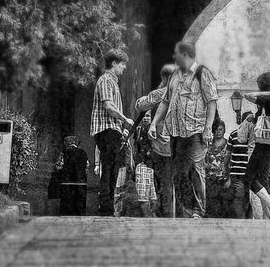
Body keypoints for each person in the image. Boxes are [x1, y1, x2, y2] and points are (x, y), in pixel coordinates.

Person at [150, 41, 218, 219]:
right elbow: (165, 101)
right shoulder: (174, 76)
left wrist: (207, 128)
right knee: (179, 173)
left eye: (176, 53)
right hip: (175, 132)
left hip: (195, 131)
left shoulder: (201, 73)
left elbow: (211, 101)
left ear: (185, 55)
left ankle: (198, 210)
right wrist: (154, 123)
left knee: (196, 171)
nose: (174, 57)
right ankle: (185, 209)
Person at [90, 49, 133, 217]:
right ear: (114, 63)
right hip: (106, 129)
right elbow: (108, 106)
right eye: (122, 64)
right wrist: (125, 119)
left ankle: (107, 206)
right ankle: (106, 207)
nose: (124, 68)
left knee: (113, 168)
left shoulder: (113, 82)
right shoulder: (106, 80)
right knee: (108, 168)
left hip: (112, 129)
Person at [235, 73, 270, 219]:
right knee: (261, 178)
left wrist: (266, 92)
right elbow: (260, 119)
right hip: (269, 143)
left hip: (265, 143)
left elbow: (248, 96)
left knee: (248, 177)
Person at [135, 64, 176, 217]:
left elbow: (139, 105)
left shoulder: (160, 93)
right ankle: (173, 215)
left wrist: (161, 86)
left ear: (164, 78)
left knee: (164, 184)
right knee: (174, 183)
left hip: (162, 148)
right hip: (179, 145)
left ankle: (166, 215)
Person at [48, 136, 89, 216]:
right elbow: (86, 167)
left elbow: (59, 166)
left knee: (66, 209)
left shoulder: (64, 152)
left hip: (66, 183)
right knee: (80, 208)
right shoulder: (83, 153)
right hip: (81, 184)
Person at [226, 114, 255, 218]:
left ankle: (242, 221)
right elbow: (227, 155)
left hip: (238, 172)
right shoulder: (255, 135)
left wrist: (226, 170)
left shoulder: (234, 134)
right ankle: (245, 221)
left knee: (240, 198)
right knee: (246, 198)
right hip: (246, 173)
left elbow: (227, 155)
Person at [204, 119, 230, 218]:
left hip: (224, 179)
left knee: (224, 208)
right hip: (210, 180)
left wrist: (229, 179)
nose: (218, 131)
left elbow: (231, 163)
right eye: (216, 129)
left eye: (220, 129)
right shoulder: (208, 145)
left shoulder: (228, 145)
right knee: (211, 208)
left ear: (224, 130)